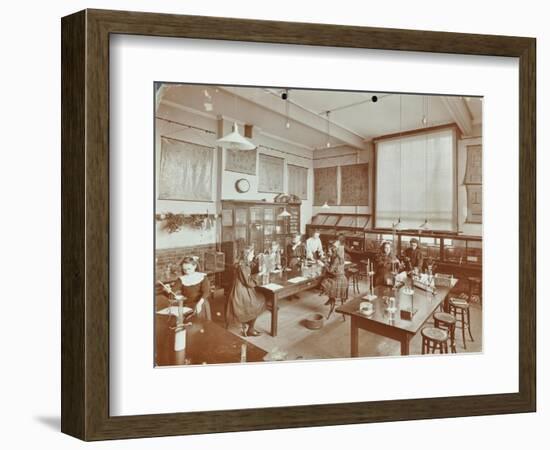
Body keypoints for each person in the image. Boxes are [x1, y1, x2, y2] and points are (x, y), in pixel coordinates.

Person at [226, 245, 266, 337]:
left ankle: (249, 323)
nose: (253, 255)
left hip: (237, 289)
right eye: (252, 254)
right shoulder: (243, 266)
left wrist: (257, 259)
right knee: (260, 300)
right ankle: (250, 329)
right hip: (241, 292)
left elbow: (251, 266)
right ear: (247, 255)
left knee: (257, 299)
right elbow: (249, 283)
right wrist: (259, 275)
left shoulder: (242, 263)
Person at [170, 256, 212, 320]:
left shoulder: (202, 276)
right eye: (184, 269)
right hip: (187, 306)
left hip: (201, 304)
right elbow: (173, 291)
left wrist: (199, 304)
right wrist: (168, 290)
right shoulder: (181, 279)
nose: (186, 271)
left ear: (194, 266)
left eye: (189, 269)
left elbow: (206, 292)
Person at [320, 236, 349, 319]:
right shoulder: (340, 256)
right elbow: (333, 267)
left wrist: (323, 264)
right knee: (326, 280)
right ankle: (331, 298)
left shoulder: (336, 258)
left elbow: (330, 270)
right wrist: (327, 261)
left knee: (324, 282)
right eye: (332, 247)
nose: (332, 248)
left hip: (338, 281)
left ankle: (331, 298)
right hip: (343, 279)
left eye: (334, 247)